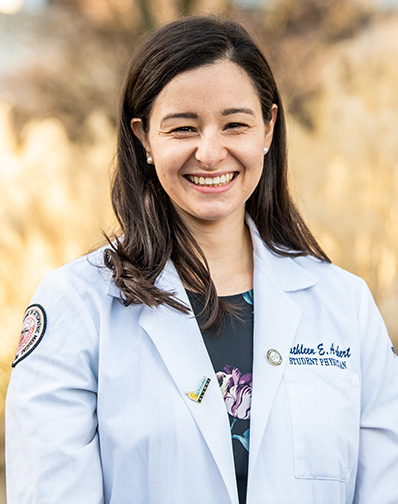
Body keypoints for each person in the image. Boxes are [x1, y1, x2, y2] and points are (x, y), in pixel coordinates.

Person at [5, 16, 398, 504]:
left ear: (269, 128)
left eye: (235, 124)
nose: (210, 153)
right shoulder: (77, 307)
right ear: (144, 137)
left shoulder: (344, 305)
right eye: (182, 128)